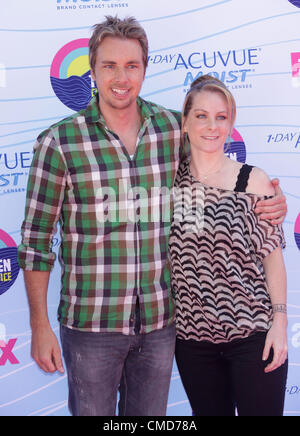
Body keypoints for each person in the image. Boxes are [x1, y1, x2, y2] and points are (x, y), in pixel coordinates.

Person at [18, 16, 287, 417]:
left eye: (132, 65)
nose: (121, 77)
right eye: (109, 65)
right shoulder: (59, 143)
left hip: (161, 327)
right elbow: (37, 241)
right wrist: (40, 326)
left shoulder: (168, 130)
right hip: (92, 327)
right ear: (92, 69)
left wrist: (269, 200)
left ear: (144, 68)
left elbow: (214, 174)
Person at [169, 75, 288, 416]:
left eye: (221, 117)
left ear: (231, 123)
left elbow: (273, 260)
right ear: (186, 121)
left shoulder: (253, 180)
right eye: (201, 115)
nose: (211, 126)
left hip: (253, 336)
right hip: (193, 344)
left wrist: (279, 324)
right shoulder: (168, 181)